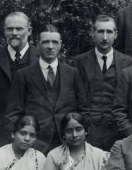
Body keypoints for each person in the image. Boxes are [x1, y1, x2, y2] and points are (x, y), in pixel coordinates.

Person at [5, 25, 79, 153]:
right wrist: (21, 141)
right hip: (34, 144)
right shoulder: (23, 75)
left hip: (66, 143)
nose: (50, 46)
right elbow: (13, 113)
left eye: (54, 42)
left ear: (60, 44)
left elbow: (81, 109)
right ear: (37, 44)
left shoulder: (73, 73)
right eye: (45, 42)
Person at [71, 14, 132, 151]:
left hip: (119, 130)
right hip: (89, 130)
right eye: (100, 31)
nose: (105, 37)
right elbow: (76, 98)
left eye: (109, 32)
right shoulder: (79, 62)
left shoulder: (128, 63)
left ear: (116, 34)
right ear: (93, 33)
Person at [0, 12, 37, 150]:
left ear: (29, 31)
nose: (14, 33)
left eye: (19, 29)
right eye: (9, 29)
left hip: (35, 133)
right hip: (0, 133)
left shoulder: (41, 58)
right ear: (4, 31)